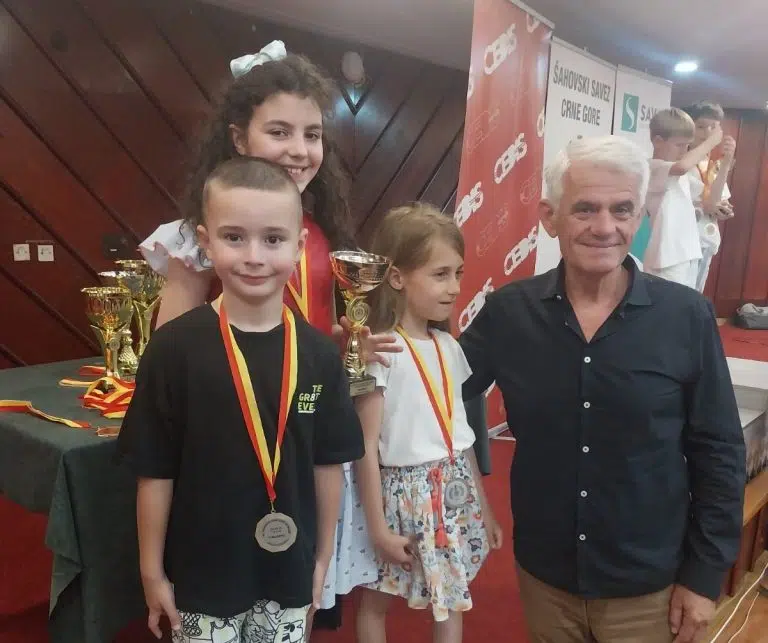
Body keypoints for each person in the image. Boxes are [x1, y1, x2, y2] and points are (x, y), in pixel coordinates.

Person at [140, 40, 395, 622]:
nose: (299, 150)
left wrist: (347, 342)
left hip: (301, 427)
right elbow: (171, 355)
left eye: (312, 134)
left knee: (294, 590)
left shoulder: (318, 229)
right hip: (227, 445)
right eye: (279, 131)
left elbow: (312, 325)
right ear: (238, 137)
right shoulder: (202, 233)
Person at [460, 136, 746, 643]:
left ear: (639, 218)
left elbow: (719, 451)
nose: (605, 227)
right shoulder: (509, 313)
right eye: (585, 209)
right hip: (545, 579)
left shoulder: (685, 316)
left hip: (652, 590)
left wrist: (704, 577)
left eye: (622, 210)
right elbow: (439, 390)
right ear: (550, 218)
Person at [116, 157, 365, 643]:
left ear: (299, 246)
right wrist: (151, 570)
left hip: (289, 573)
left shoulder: (319, 355)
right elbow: (154, 470)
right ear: (206, 243)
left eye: (273, 239)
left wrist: (322, 560)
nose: (254, 256)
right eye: (234, 237)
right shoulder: (173, 349)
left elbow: (328, 464)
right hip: (202, 576)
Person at [353, 204, 503, 643]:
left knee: (452, 596)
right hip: (400, 493)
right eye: (440, 275)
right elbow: (365, 445)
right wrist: (377, 527)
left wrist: (484, 506)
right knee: (378, 598)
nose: (454, 287)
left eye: (458, 273)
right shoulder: (382, 351)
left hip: (454, 487)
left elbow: (461, 435)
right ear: (397, 278)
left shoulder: (448, 346)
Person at [642, 108, 724, 289]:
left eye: (687, 145)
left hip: (688, 253)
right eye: (679, 145)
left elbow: (709, 202)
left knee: (688, 304)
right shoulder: (652, 167)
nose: (684, 150)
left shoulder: (682, 174)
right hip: (665, 258)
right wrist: (710, 142)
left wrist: (725, 164)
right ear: (658, 141)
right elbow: (682, 166)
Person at [685, 101, 737, 293]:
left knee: (695, 297)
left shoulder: (711, 164)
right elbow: (707, 205)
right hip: (683, 243)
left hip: (706, 240)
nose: (707, 132)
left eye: (713, 127)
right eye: (701, 126)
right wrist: (706, 206)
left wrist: (724, 209)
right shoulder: (681, 163)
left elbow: (718, 202)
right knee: (681, 297)